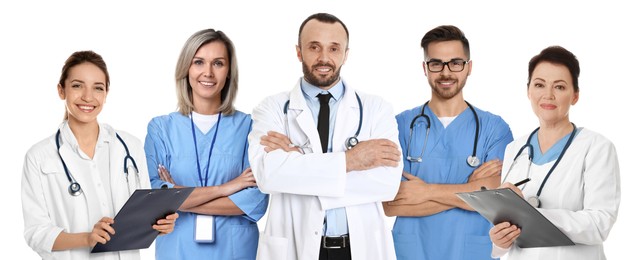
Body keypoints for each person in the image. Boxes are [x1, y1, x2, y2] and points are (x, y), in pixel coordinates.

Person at [248, 13, 403, 260]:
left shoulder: (376, 108)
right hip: (294, 247)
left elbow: (387, 184)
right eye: (314, 47)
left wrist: (298, 166)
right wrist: (350, 161)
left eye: (334, 48)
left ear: (346, 54)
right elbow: (268, 175)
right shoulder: (272, 108)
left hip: (359, 248)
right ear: (299, 52)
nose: (324, 58)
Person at [21, 50, 178, 260]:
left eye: (98, 88)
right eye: (77, 86)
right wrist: (87, 238)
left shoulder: (130, 146)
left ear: (106, 93)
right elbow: (36, 233)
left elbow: (142, 215)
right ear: (61, 90)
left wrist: (160, 224)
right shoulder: (39, 157)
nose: (88, 96)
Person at [382, 25, 514, 260]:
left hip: (472, 251)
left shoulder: (494, 128)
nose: (446, 72)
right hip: (412, 251)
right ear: (425, 68)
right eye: (436, 63)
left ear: (469, 67)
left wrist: (424, 191)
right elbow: (388, 204)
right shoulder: (400, 126)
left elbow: (497, 199)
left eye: (455, 62)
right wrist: (470, 191)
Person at [144, 28, 269, 260]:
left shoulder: (249, 128)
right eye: (199, 62)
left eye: (218, 63)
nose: (208, 73)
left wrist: (179, 200)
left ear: (229, 72)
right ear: (186, 68)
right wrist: (227, 188)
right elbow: (154, 198)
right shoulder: (160, 129)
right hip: (177, 249)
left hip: (235, 251)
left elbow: (256, 200)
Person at [489, 46, 620, 259]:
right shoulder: (515, 149)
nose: (548, 95)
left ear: (575, 95)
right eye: (539, 85)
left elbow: (600, 224)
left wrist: (531, 216)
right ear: (528, 91)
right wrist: (499, 242)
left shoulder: (596, 147)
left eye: (559, 87)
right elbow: (505, 241)